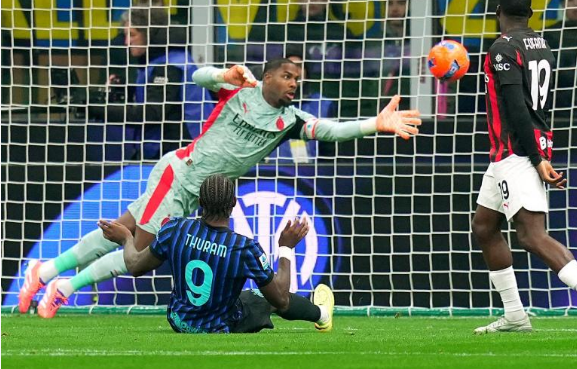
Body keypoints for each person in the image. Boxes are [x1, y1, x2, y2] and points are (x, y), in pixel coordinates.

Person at [20, 58, 421, 318]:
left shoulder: (291, 120)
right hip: (179, 175)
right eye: (287, 76)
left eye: (298, 79)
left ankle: (46, 271)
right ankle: (64, 287)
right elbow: (196, 77)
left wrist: (375, 124)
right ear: (267, 77)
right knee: (139, 253)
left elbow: (332, 130)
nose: (293, 83)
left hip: (194, 191)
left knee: (122, 229)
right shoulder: (240, 90)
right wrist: (222, 75)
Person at [471, 0, 577, 335]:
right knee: (484, 226)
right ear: (531, 14)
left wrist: (536, 158)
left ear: (497, 12)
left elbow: (516, 106)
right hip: (513, 151)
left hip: (517, 150)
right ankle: (515, 315)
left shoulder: (502, 48)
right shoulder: (541, 44)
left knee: (531, 235)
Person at [99, 174, 334, 333]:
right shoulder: (243, 248)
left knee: (249, 295)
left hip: (180, 322)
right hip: (219, 326)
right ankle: (322, 315)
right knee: (265, 296)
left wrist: (126, 238)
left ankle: (320, 315)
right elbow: (281, 299)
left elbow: (135, 266)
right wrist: (286, 247)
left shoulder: (174, 229)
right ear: (234, 203)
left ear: (200, 201)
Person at [89, 7, 207, 161]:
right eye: (125, 35)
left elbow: (151, 113)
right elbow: (158, 98)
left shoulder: (169, 66)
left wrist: (97, 110)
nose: (127, 42)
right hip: (173, 151)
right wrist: (127, 90)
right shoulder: (161, 59)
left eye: (132, 35)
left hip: (182, 157)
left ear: (149, 34)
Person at [542, 0, 577, 111]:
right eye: (570, 0)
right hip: (561, 98)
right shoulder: (550, 34)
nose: (576, 4)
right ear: (562, 4)